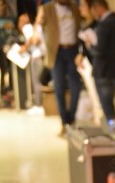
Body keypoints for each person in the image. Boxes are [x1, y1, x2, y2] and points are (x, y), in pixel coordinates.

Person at [36, 0, 82, 135]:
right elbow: (39, 27)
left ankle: (71, 119)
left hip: (73, 50)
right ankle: (64, 122)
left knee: (76, 87)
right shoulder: (47, 8)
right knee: (59, 88)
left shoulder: (74, 8)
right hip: (56, 52)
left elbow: (81, 25)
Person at [87, 0, 115, 122]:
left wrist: (90, 46)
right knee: (109, 101)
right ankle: (112, 125)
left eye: (94, 10)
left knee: (106, 103)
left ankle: (112, 127)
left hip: (103, 70)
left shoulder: (103, 25)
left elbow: (99, 49)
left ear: (98, 8)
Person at [0, 0, 15, 105]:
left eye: (1, 5)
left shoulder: (10, 17)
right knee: (4, 70)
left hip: (11, 47)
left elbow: (14, 31)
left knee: (12, 70)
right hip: (0, 48)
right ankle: (3, 94)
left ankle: (12, 91)